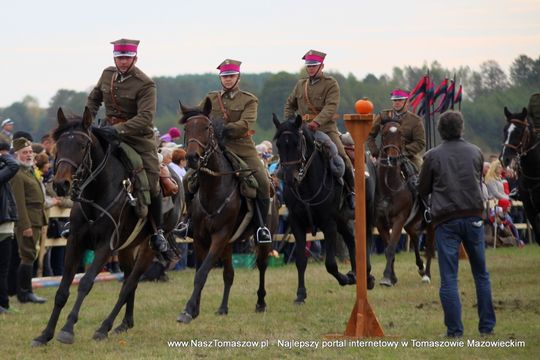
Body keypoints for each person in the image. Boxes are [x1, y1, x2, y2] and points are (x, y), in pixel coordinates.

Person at [85, 38, 169, 258]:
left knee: (152, 180)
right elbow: (94, 98)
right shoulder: (107, 74)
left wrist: (119, 129)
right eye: (119, 57)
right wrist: (88, 121)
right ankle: (77, 222)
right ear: (114, 58)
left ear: (135, 58)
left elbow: (145, 118)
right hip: (106, 132)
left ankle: (157, 232)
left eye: (127, 58)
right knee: (84, 166)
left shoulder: (145, 83)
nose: (123, 61)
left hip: (137, 138)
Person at [418, 110, 496, 337]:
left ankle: (454, 330)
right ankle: (487, 327)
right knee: (481, 274)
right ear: (461, 128)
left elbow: (423, 189)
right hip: (473, 217)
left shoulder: (432, 156)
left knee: (449, 277)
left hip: (446, 219)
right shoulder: (476, 152)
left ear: (441, 130)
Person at [179, 59, 272, 244]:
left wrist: (223, 129)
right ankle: (188, 221)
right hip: (215, 148)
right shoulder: (211, 98)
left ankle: (262, 227)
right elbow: (199, 116)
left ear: (238, 77)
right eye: (225, 77)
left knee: (262, 180)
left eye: (231, 76)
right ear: (220, 78)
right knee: (187, 179)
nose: (228, 80)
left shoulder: (249, 99)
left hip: (242, 147)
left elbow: (245, 124)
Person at [284, 50, 356, 209]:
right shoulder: (300, 85)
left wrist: (316, 122)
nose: (310, 69)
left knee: (341, 155)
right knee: (288, 153)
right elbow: (290, 104)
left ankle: (351, 191)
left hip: (326, 128)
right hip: (303, 129)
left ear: (321, 66)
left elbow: (331, 107)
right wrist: (291, 122)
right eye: (308, 66)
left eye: (314, 66)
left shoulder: (330, 83)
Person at [10, 138, 48, 304]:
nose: (29, 155)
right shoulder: (17, 174)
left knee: (31, 254)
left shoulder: (29, 171)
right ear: (16, 154)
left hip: (36, 218)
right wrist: (25, 225)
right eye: (24, 152)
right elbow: (19, 202)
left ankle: (26, 291)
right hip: (28, 221)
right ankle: (25, 293)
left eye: (30, 152)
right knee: (28, 254)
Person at [367, 89, 426, 190]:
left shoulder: (415, 121)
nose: (397, 103)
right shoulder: (383, 116)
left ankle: (424, 202)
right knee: (367, 175)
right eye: (395, 100)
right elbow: (370, 135)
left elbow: (420, 142)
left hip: (408, 156)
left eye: (400, 100)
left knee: (420, 172)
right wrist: (376, 152)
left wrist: (402, 151)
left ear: (406, 102)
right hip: (384, 156)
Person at [0, 142, 19, 313]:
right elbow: (14, 165)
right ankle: (3, 304)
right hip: (2, 227)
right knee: (3, 269)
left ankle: (3, 304)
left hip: (5, 225)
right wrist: (3, 154)